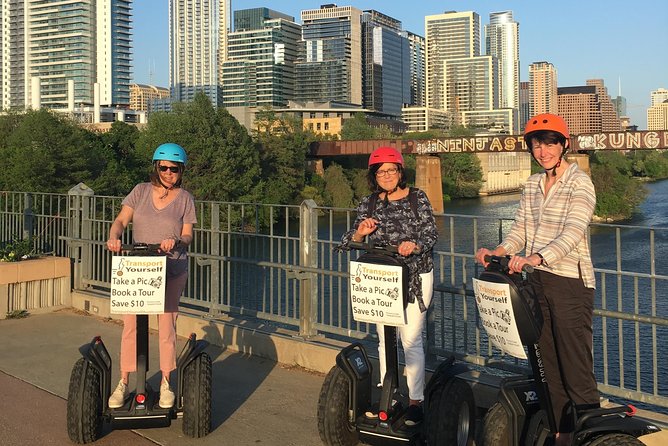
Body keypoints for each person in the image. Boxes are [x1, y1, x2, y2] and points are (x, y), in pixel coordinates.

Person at [475, 113, 599, 445]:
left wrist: (538, 256)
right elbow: (520, 230)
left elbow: (573, 231)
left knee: (574, 366)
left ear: (564, 145)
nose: (542, 151)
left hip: (570, 282)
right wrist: (499, 250)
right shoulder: (532, 184)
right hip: (536, 283)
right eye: (536, 144)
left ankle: (591, 434)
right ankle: (562, 432)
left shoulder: (580, 182)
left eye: (549, 143)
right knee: (546, 365)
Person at [339, 146, 438, 426]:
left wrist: (414, 244)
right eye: (380, 171)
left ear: (400, 172)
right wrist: (361, 231)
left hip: (416, 276)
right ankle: (390, 396)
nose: (386, 175)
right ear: (374, 175)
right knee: (386, 340)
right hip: (382, 279)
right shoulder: (369, 203)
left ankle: (416, 400)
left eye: (391, 170)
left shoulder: (417, 198)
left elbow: (430, 232)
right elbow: (348, 241)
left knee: (410, 339)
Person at [106, 142, 197, 409]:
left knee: (167, 326)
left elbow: (189, 235)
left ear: (181, 171)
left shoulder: (185, 198)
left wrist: (176, 239)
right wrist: (114, 237)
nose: (169, 173)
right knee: (131, 325)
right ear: (156, 168)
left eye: (175, 169)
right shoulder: (140, 191)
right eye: (164, 167)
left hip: (171, 268)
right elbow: (121, 220)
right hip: (139, 269)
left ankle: (166, 382)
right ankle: (124, 381)